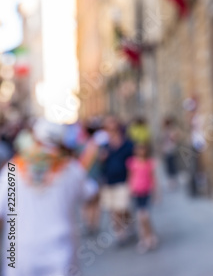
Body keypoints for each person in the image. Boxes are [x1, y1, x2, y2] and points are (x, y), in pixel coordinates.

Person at [0, 118, 97, 276]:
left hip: (19, 253)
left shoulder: (12, 169)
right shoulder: (71, 169)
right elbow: (92, 194)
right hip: (61, 250)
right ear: (61, 142)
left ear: (35, 138)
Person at [99, 116, 134, 244]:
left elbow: (133, 161)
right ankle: (119, 233)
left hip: (123, 179)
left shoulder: (127, 143)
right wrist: (101, 158)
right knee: (113, 209)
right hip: (109, 180)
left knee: (122, 207)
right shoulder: (104, 145)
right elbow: (99, 164)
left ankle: (127, 225)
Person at [127, 143, 158, 253]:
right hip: (137, 192)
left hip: (146, 192)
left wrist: (155, 193)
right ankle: (144, 238)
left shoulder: (149, 163)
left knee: (145, 216)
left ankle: (150, 236)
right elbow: (130, 177)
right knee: (140, 217)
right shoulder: (132, 163)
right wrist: (130, 190)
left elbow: (153, 178)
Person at [161, 116, 181, 190]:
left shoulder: (170, 130)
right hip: (167, 150)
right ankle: (171, 181)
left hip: (170, 150)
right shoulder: (166, 130)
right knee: (169, 166)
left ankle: (173, 182)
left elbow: (174, 139)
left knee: (171, 166)